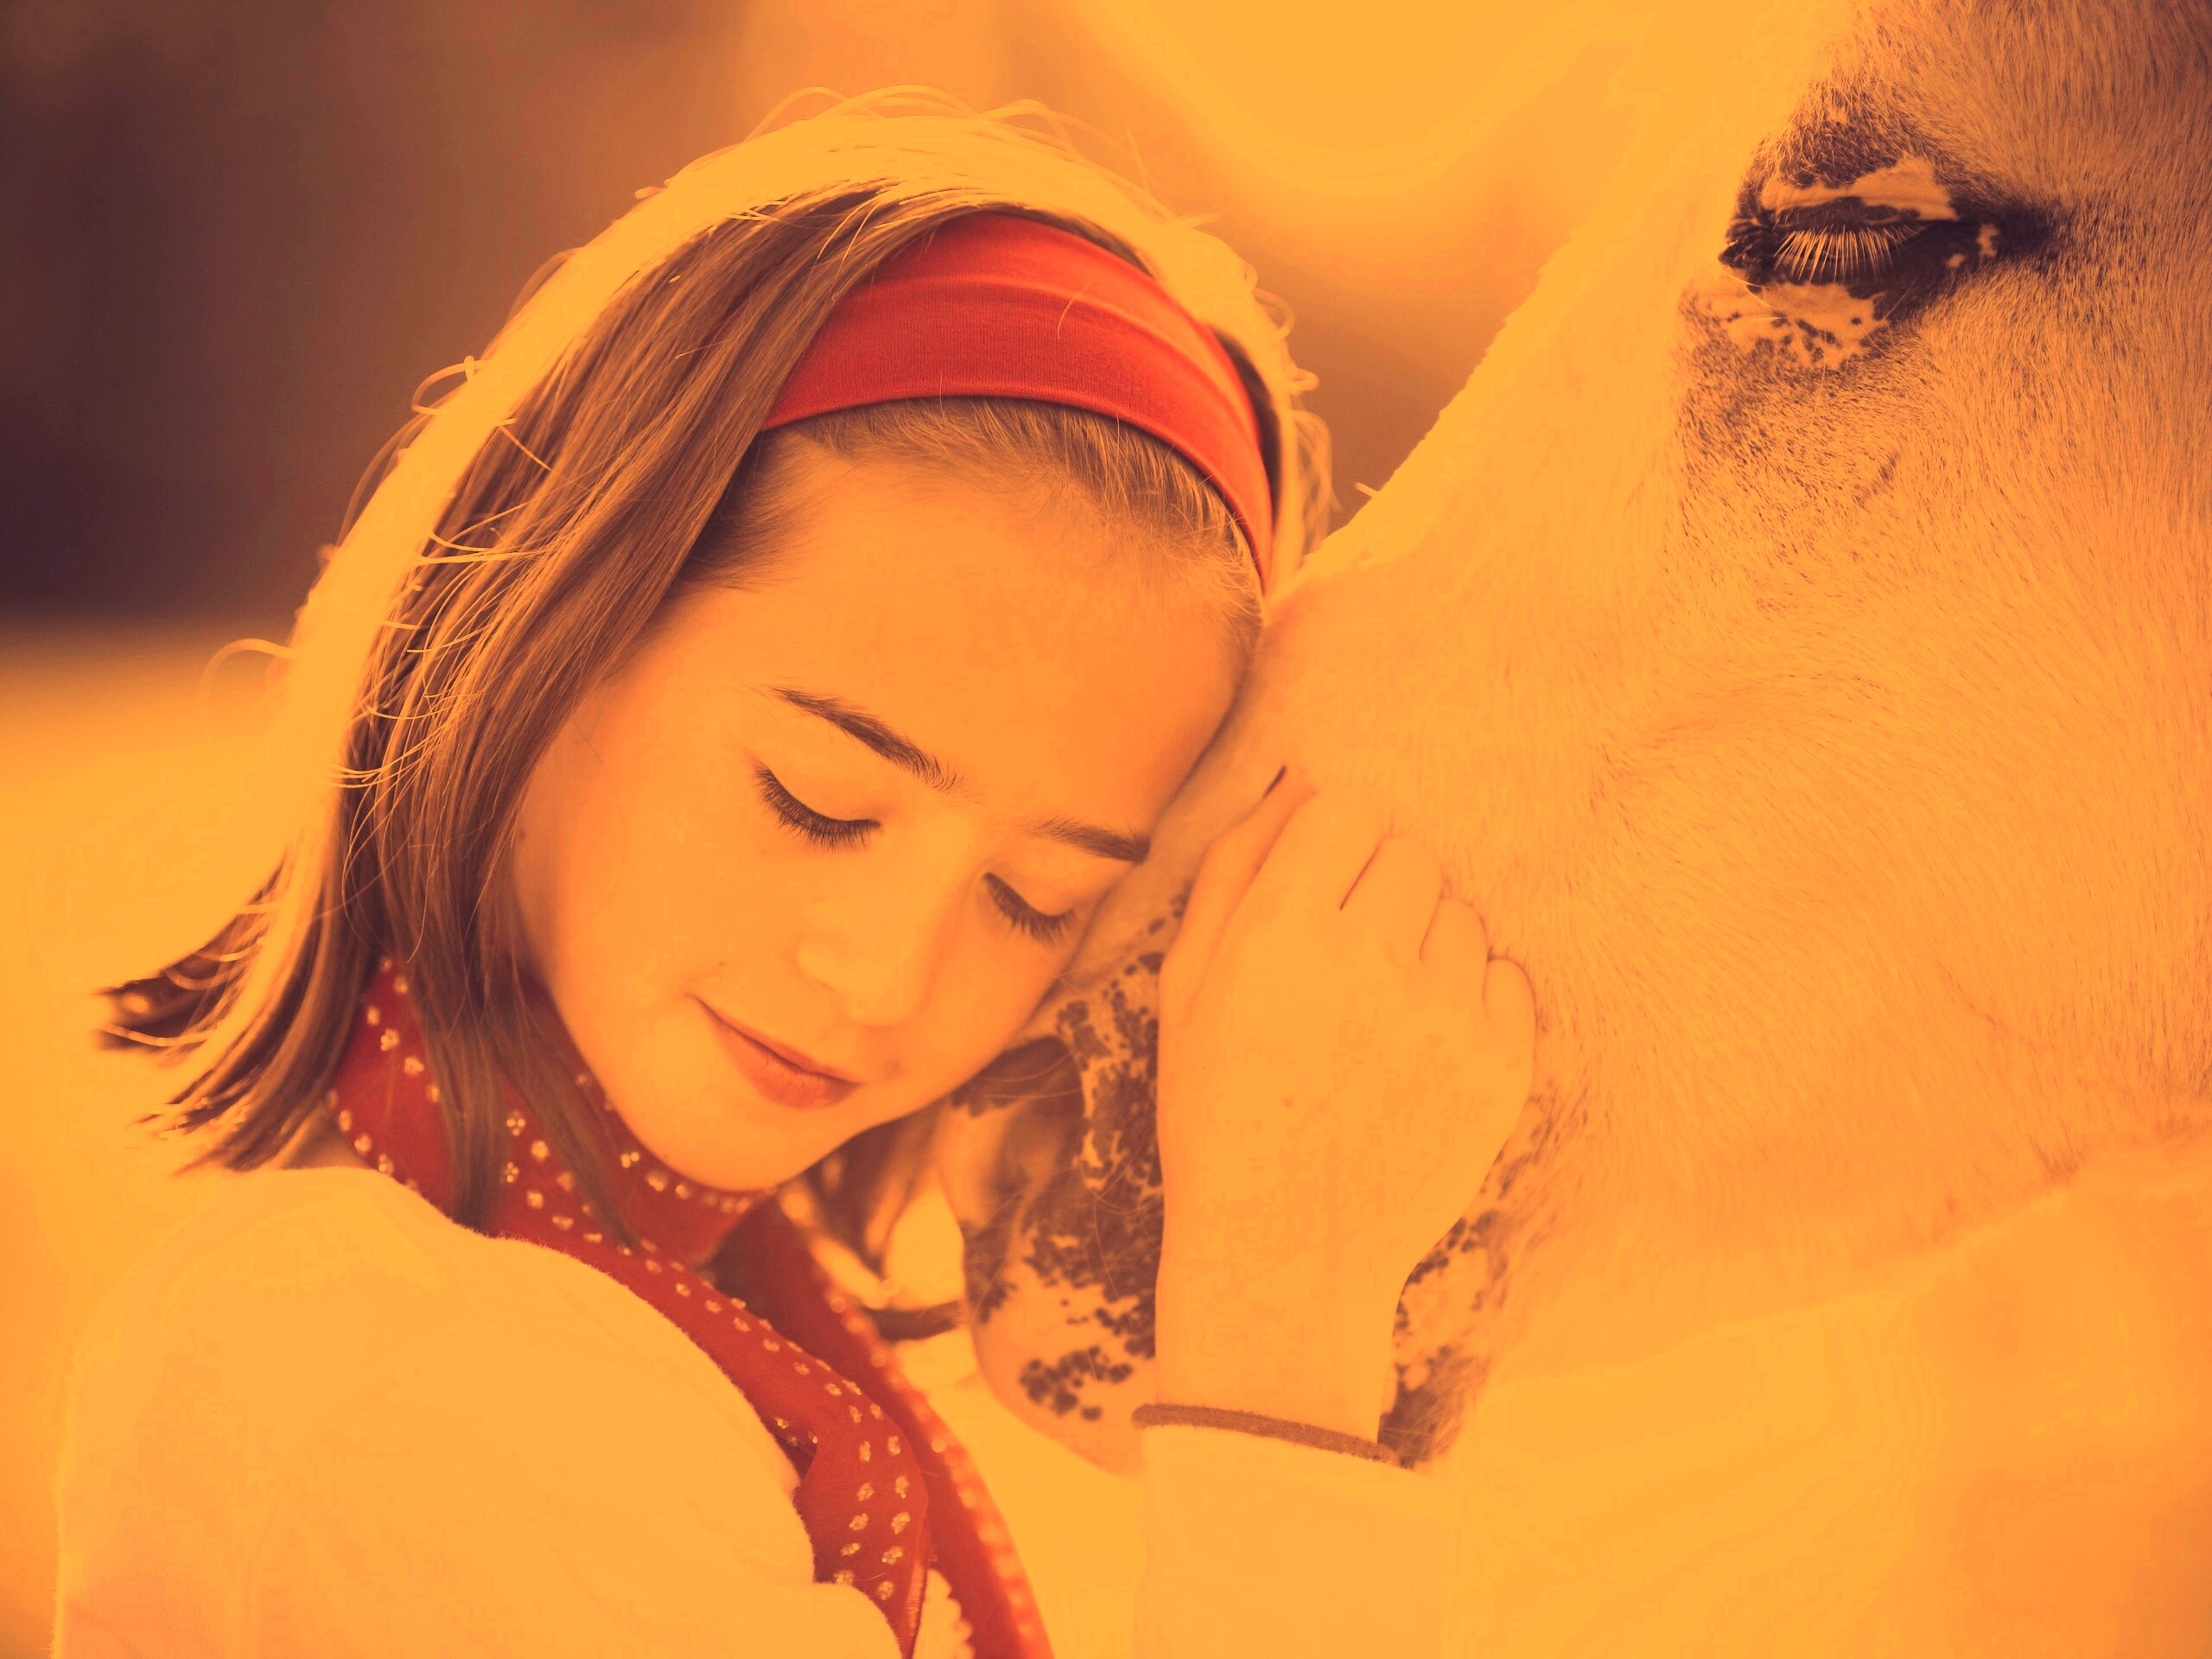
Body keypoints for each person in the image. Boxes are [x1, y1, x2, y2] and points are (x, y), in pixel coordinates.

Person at [53, 96, 1536, 1659]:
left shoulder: (696, 1309)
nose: (887, 978)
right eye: (820, 803)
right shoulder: (387, 1379)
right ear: (553, 632)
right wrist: (1282, 1344)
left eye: (1037, 901)